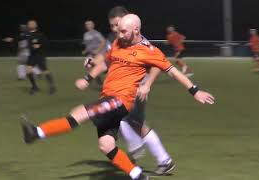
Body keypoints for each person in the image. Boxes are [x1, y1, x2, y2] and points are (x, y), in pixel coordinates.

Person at [20, 14, 214, 180]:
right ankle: (139, 175)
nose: (119, 35)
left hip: (120, 101)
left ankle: (35, 133)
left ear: (136, 30)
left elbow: (173, 71)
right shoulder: (118, 43)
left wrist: (195, 91)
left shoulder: (149, 51)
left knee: (80, 113)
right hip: (108, 97)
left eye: (123, 31)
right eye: (118, 30)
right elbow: (106, 61)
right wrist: (89, 75)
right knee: (106, 145)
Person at [91, 6, 176, 175]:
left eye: (117, 25)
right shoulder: (118, 38)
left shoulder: (139, 41)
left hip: (135, 88)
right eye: (112, 26)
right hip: (121, 88)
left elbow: (158, 65)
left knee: (133, 121)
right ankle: (147, 154)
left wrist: (147, 85)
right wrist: (92, 62)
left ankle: (154, 156)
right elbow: (107, 58)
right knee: (129, 121)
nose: (115, 29)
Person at [25, 19, 56, 95]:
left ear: (35, 25)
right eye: (29, 24)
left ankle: (52, 87)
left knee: (45, 71)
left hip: (40, 55)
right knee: (28, 71)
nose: (30, 25)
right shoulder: (27, 34)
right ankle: (34, 87)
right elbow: (20, 39)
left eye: (32, 24)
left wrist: (39, 45)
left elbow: (46, 43)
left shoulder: (40, 34)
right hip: (32, 56)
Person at [82, 20, 106, 85]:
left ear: (93, 25)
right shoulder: (85, 35)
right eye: (86, 24)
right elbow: (87, 45)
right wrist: (85, 50)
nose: (87, 26)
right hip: (90, 54)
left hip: (98, 54)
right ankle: (98, 80)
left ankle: (103, 82)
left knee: (100, 68)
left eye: (89, 24)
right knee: (87, 66)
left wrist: (97, 50)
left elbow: (103, 42)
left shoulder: (96, 33)